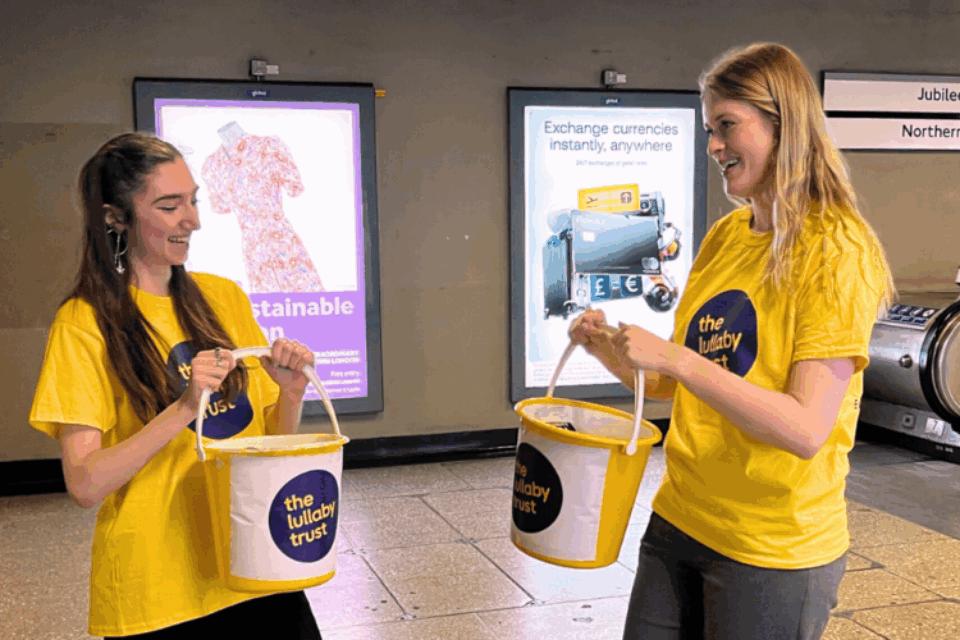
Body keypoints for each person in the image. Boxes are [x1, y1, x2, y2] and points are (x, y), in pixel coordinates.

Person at [570, 43, 895, 639]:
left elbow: (803, 429)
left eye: (727, 126)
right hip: (682, 518)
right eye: (709, 129)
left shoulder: (835, 249)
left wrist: (678, 360)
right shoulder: (727, 236)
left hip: (771, 547)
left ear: (783, 123)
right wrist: (605, 347)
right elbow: (670, 383)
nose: (714, 145)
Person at [29, 133, 324, 638]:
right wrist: (186, 406)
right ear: (114, 217)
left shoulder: (223, 297)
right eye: (170, 206)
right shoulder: (84, 322)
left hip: (253, 562)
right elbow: (85, 483)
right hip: (159, 590)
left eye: (193, 200)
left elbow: (269, 445)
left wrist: (291, 391)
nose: (193, 220)